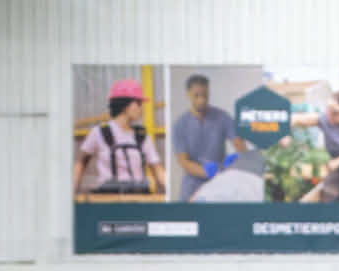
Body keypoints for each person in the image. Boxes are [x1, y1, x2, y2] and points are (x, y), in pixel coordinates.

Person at [75, 78, 163, 198]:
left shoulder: (142, 136)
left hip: (138, 198)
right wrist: (71, 194)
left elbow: (157, 168)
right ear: (125, 104)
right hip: (108, 200)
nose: (142, 108)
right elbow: (81, 163)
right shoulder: (99, 133)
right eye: (138, 103)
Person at [172, 73, 245, 202]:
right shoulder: (180, 124)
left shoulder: (222, 117)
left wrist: (235, 163)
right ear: (188, 94)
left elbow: (240, 146)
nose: (202, 100)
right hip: (191, 187)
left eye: (205, 95)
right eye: (196, 96)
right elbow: (184, 162)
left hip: (219, 184)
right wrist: (208, 172)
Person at [291, 86, 339, 203]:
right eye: (328, 111)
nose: (328, 116)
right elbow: (298, 119)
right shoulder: (325, 120)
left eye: (333, 113)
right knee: (329, 195)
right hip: (337, 171)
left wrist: (338, 162)